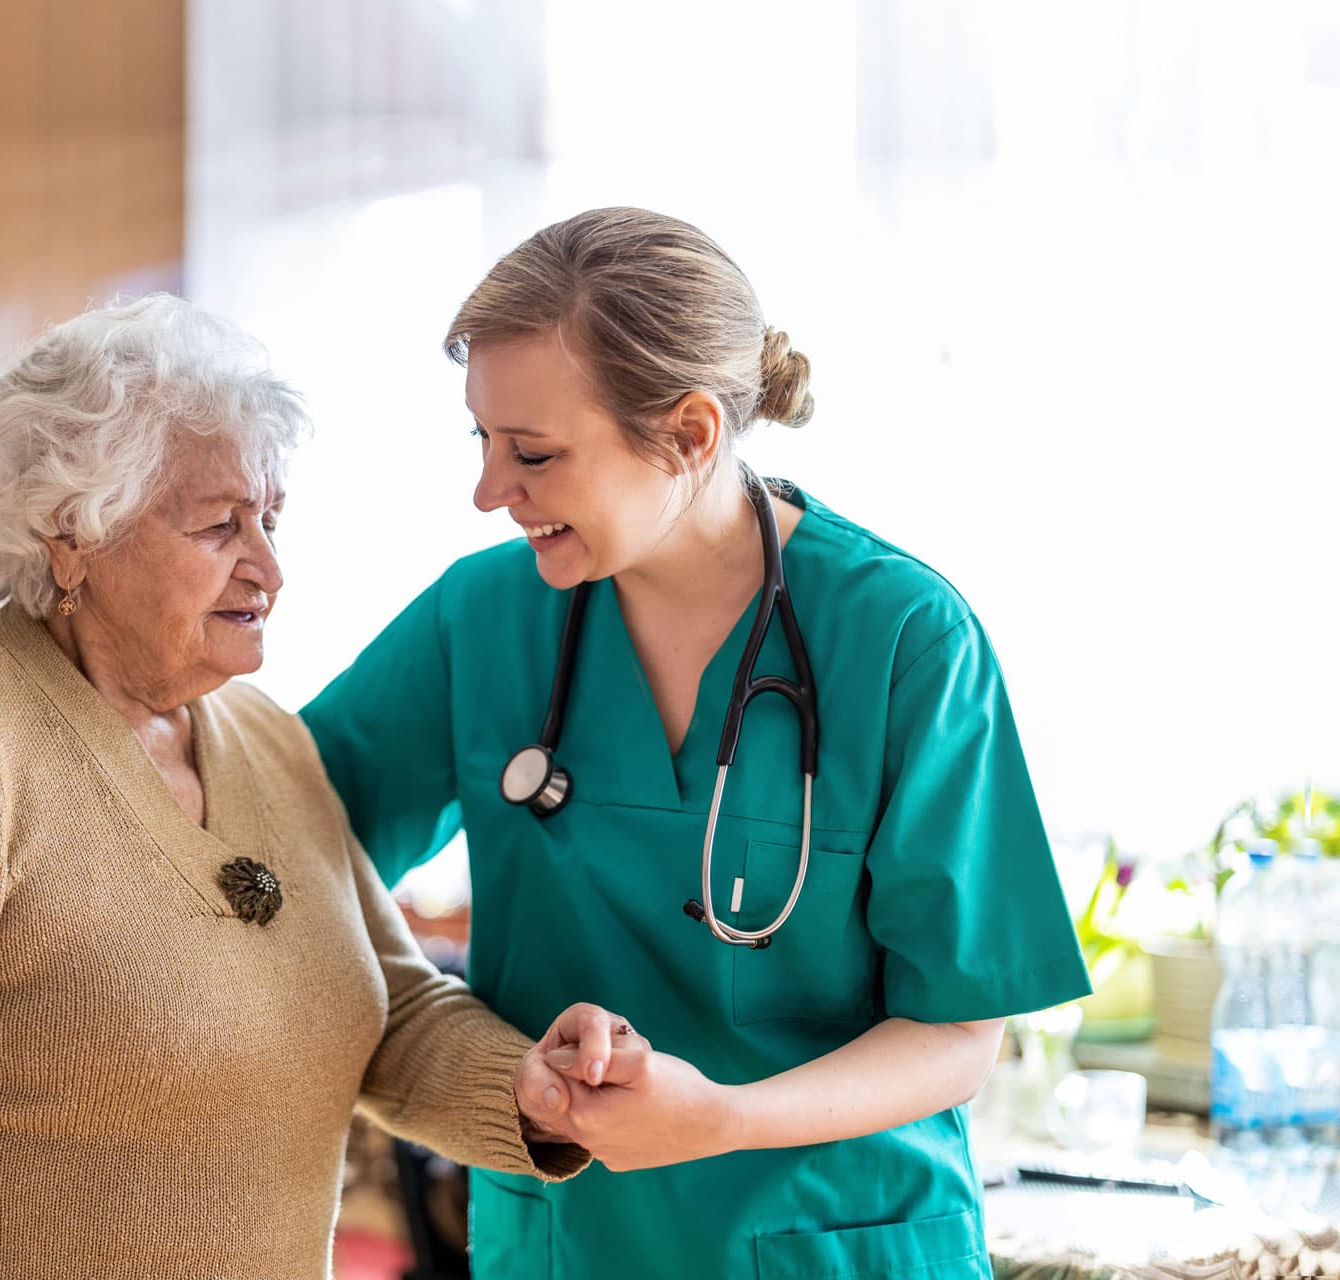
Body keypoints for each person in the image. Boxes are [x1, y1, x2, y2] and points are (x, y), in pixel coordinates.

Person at [0, 294, 636, 1280]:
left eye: (271, 517)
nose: (270, 565)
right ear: (71, 536)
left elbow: (387, 1010)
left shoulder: (267, 741)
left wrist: (529, 1085)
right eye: (221, 525)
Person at [299, 207, 1092, 1279]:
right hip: (567, 1242)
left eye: (533, 451)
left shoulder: (902, 639)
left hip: (836, 1240)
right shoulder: (480, 619)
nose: (489, 491)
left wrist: (719, 1116)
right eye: (480, 440)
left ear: (690, 432)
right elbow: (285, 843)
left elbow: (959, 1036)